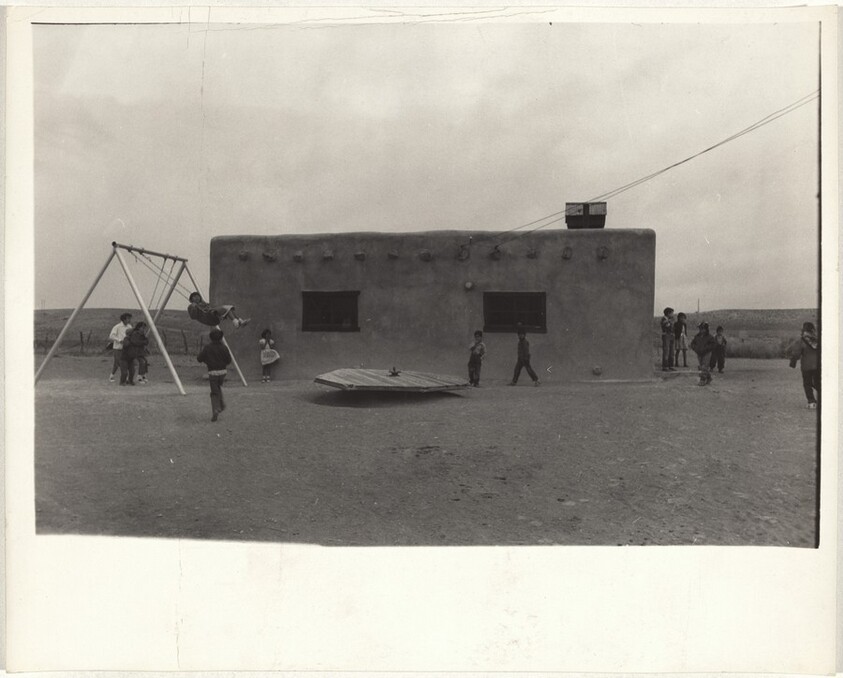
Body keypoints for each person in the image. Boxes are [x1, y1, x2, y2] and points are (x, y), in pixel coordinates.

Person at [197, 328, 233, 421]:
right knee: (217, 387)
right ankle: (221, 404)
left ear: (211, 338)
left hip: (212, 372)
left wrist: (207, 360)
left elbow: (199, 359)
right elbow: (229, 360)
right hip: (223, 372)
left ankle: (215, 409)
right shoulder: (224, 347)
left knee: (214, 392)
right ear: (221, 338)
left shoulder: (207, 347)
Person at [789, 321, 819, 409]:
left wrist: (793, 362)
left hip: (806, 366)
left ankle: (812, 402)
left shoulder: (801, 340)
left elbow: (796, 353)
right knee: (817, 383)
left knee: (807, 384)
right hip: (818, 366)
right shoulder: (818, 339)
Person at [690, 321, 717, 386]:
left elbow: (713, 344)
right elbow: (692, 343)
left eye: (703, 328)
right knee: (702, 366)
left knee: (704, 366)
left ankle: (702, 379)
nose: (701, 330)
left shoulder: (710, 337)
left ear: (706, 329)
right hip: (699, 353)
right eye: (700, 328)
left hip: (707, 353)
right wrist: (695, 348)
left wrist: (706, 348)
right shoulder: (697, 336)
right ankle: (709, 377)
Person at [108, 312, 133, 382]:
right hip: (118, 348)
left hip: (126, 348)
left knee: (126, 363)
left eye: (130, 318)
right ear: (124, 319)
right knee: (117, 363)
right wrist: (119, 340)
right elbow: (111, 336)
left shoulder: (130, 327)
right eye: (128, 318)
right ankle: (112, 376)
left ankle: (126, 377)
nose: (129, 320)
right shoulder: (117, 327)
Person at [660, 307, 676, 371]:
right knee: (666, 351)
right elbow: (667, 326)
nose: (673, 314)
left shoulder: (670, 319)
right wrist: (670, 321)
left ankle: (671, 365)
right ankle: (665, 366)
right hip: (666, 335)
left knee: (672, 351)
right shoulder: (664, 319)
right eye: (672, 313)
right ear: (668, 313)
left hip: (671, 335)